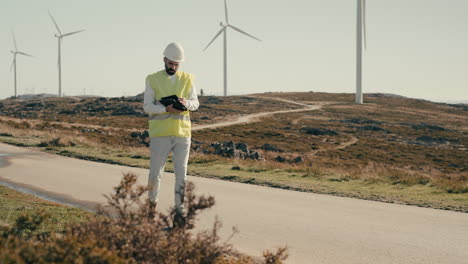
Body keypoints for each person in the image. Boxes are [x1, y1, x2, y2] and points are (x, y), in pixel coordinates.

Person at [143, 42, 199, 221]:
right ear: (164, 60)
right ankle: (151, 210)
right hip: (160, 134)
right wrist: (166, 109)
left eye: (176, 64)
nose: (173, 67)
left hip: (183, 134)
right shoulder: (152, 79)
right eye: (170, 63)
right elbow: (147, 106)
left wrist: (185, 103)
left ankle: (179, 214)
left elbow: (195, 103)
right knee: (155, 174)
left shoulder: (188, 79)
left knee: (181, 175)